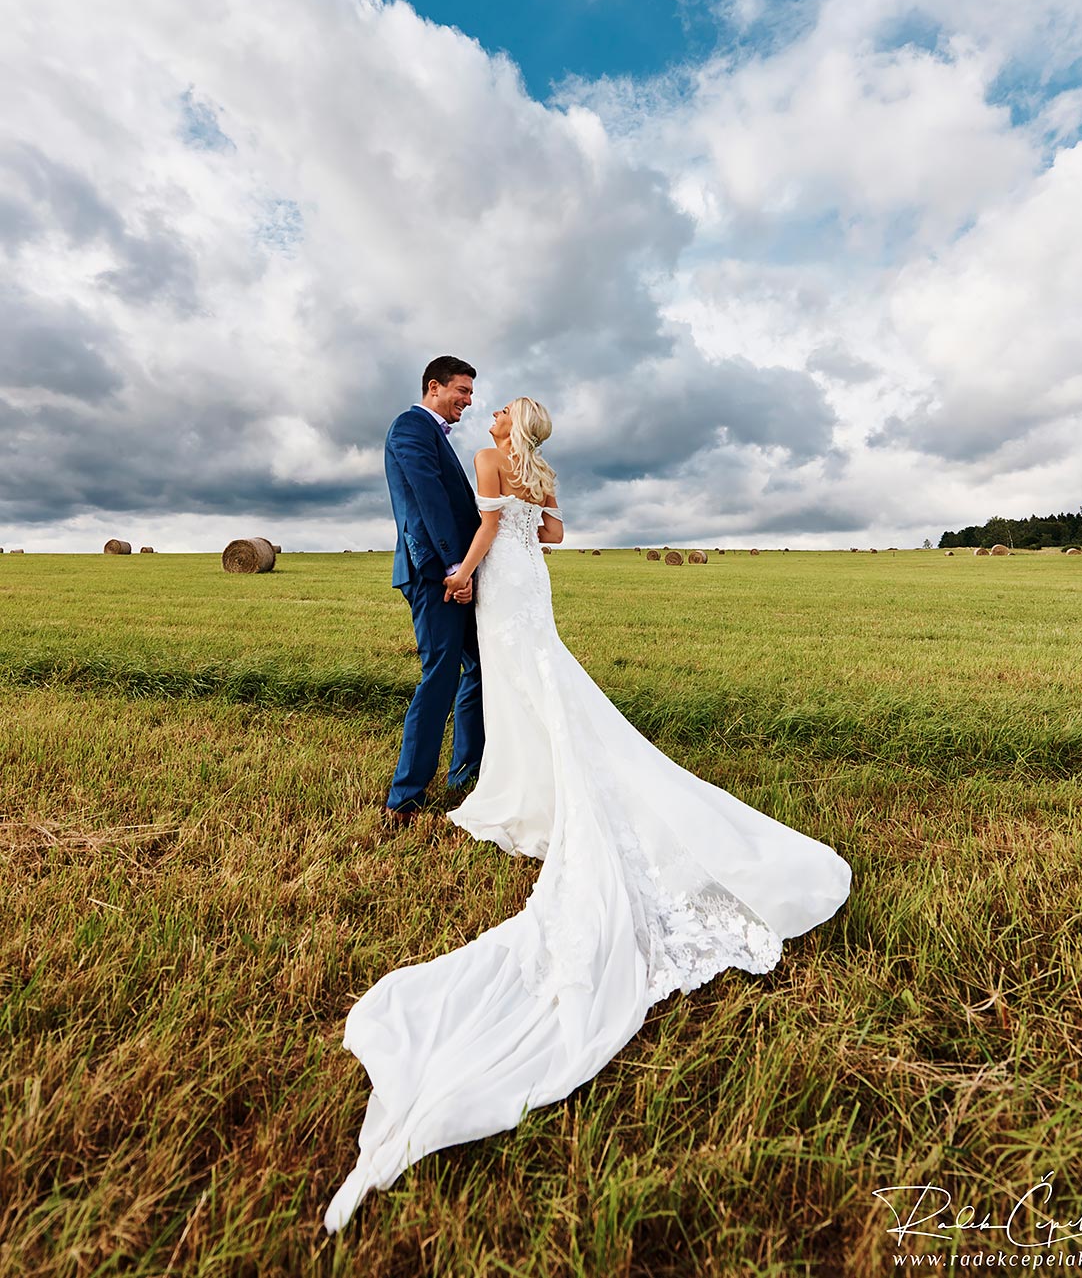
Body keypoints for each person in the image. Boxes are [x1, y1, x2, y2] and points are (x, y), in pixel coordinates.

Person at [324, 397, 851, 1231]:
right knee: (541, 691)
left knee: (520, 692)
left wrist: (463, 570)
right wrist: (525, 521)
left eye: (496, 408)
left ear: (510, 426)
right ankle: (520, 779)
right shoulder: (540, 468)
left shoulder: (492, 461)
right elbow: (555, 533)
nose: (487, 412)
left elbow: (491, 529)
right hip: (534, 587)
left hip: (500, 580)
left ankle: (517, 789)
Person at [382, 357, 484, 817]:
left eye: (470, 394)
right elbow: (429, 500)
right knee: (440, 676)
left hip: (454, 572)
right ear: (434, 387)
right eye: (461, 391)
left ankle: (466, 772)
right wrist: (454, 567)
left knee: (481, 665)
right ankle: (406, 796)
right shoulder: (411, 427)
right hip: (434, 574)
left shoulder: (432, 434)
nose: (467, 401)